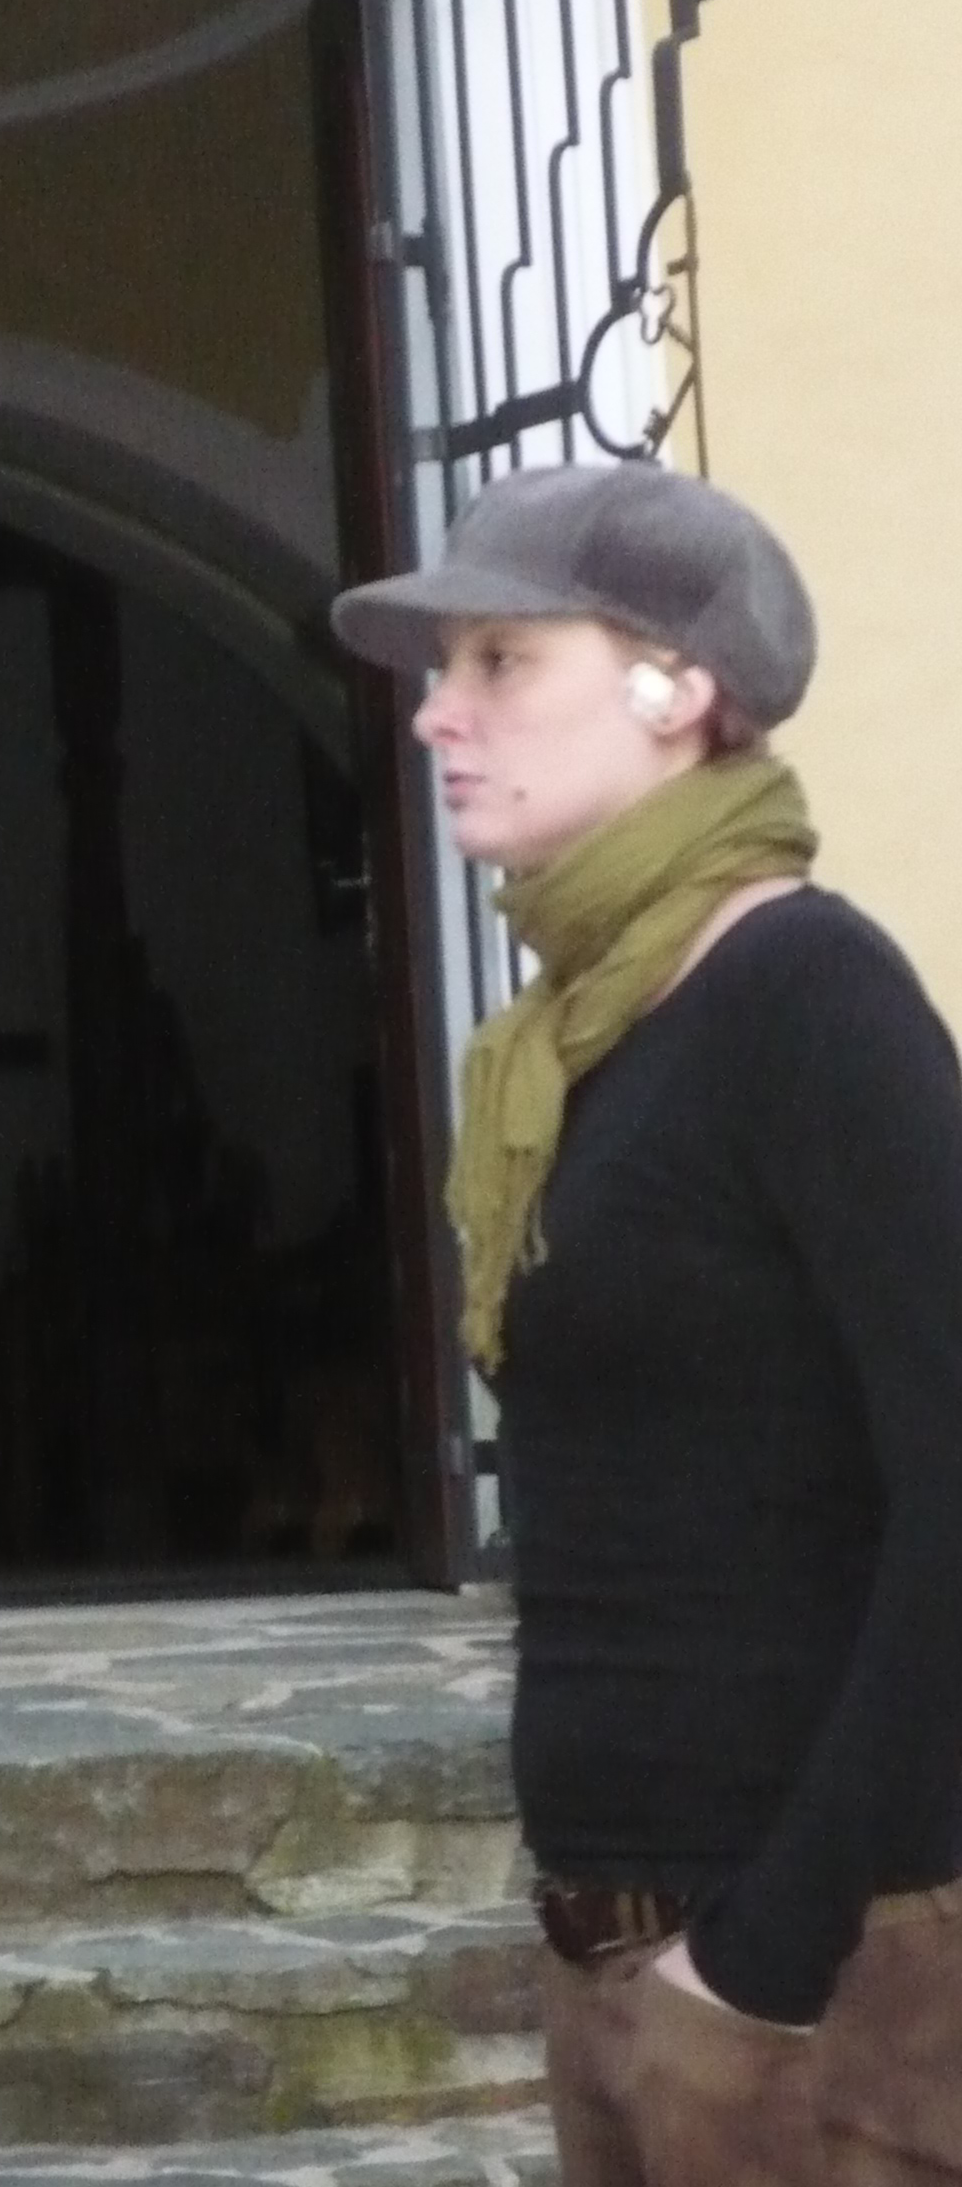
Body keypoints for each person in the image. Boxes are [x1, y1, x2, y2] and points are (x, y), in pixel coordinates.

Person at [332, 461, 962, 2187]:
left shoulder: (808, 997)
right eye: (441, 671)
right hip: (622, 1951)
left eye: (501, 661)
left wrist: (765, 1957)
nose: (438, 716)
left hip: (816, 1981)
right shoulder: (575, 1041)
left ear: (677, 689)